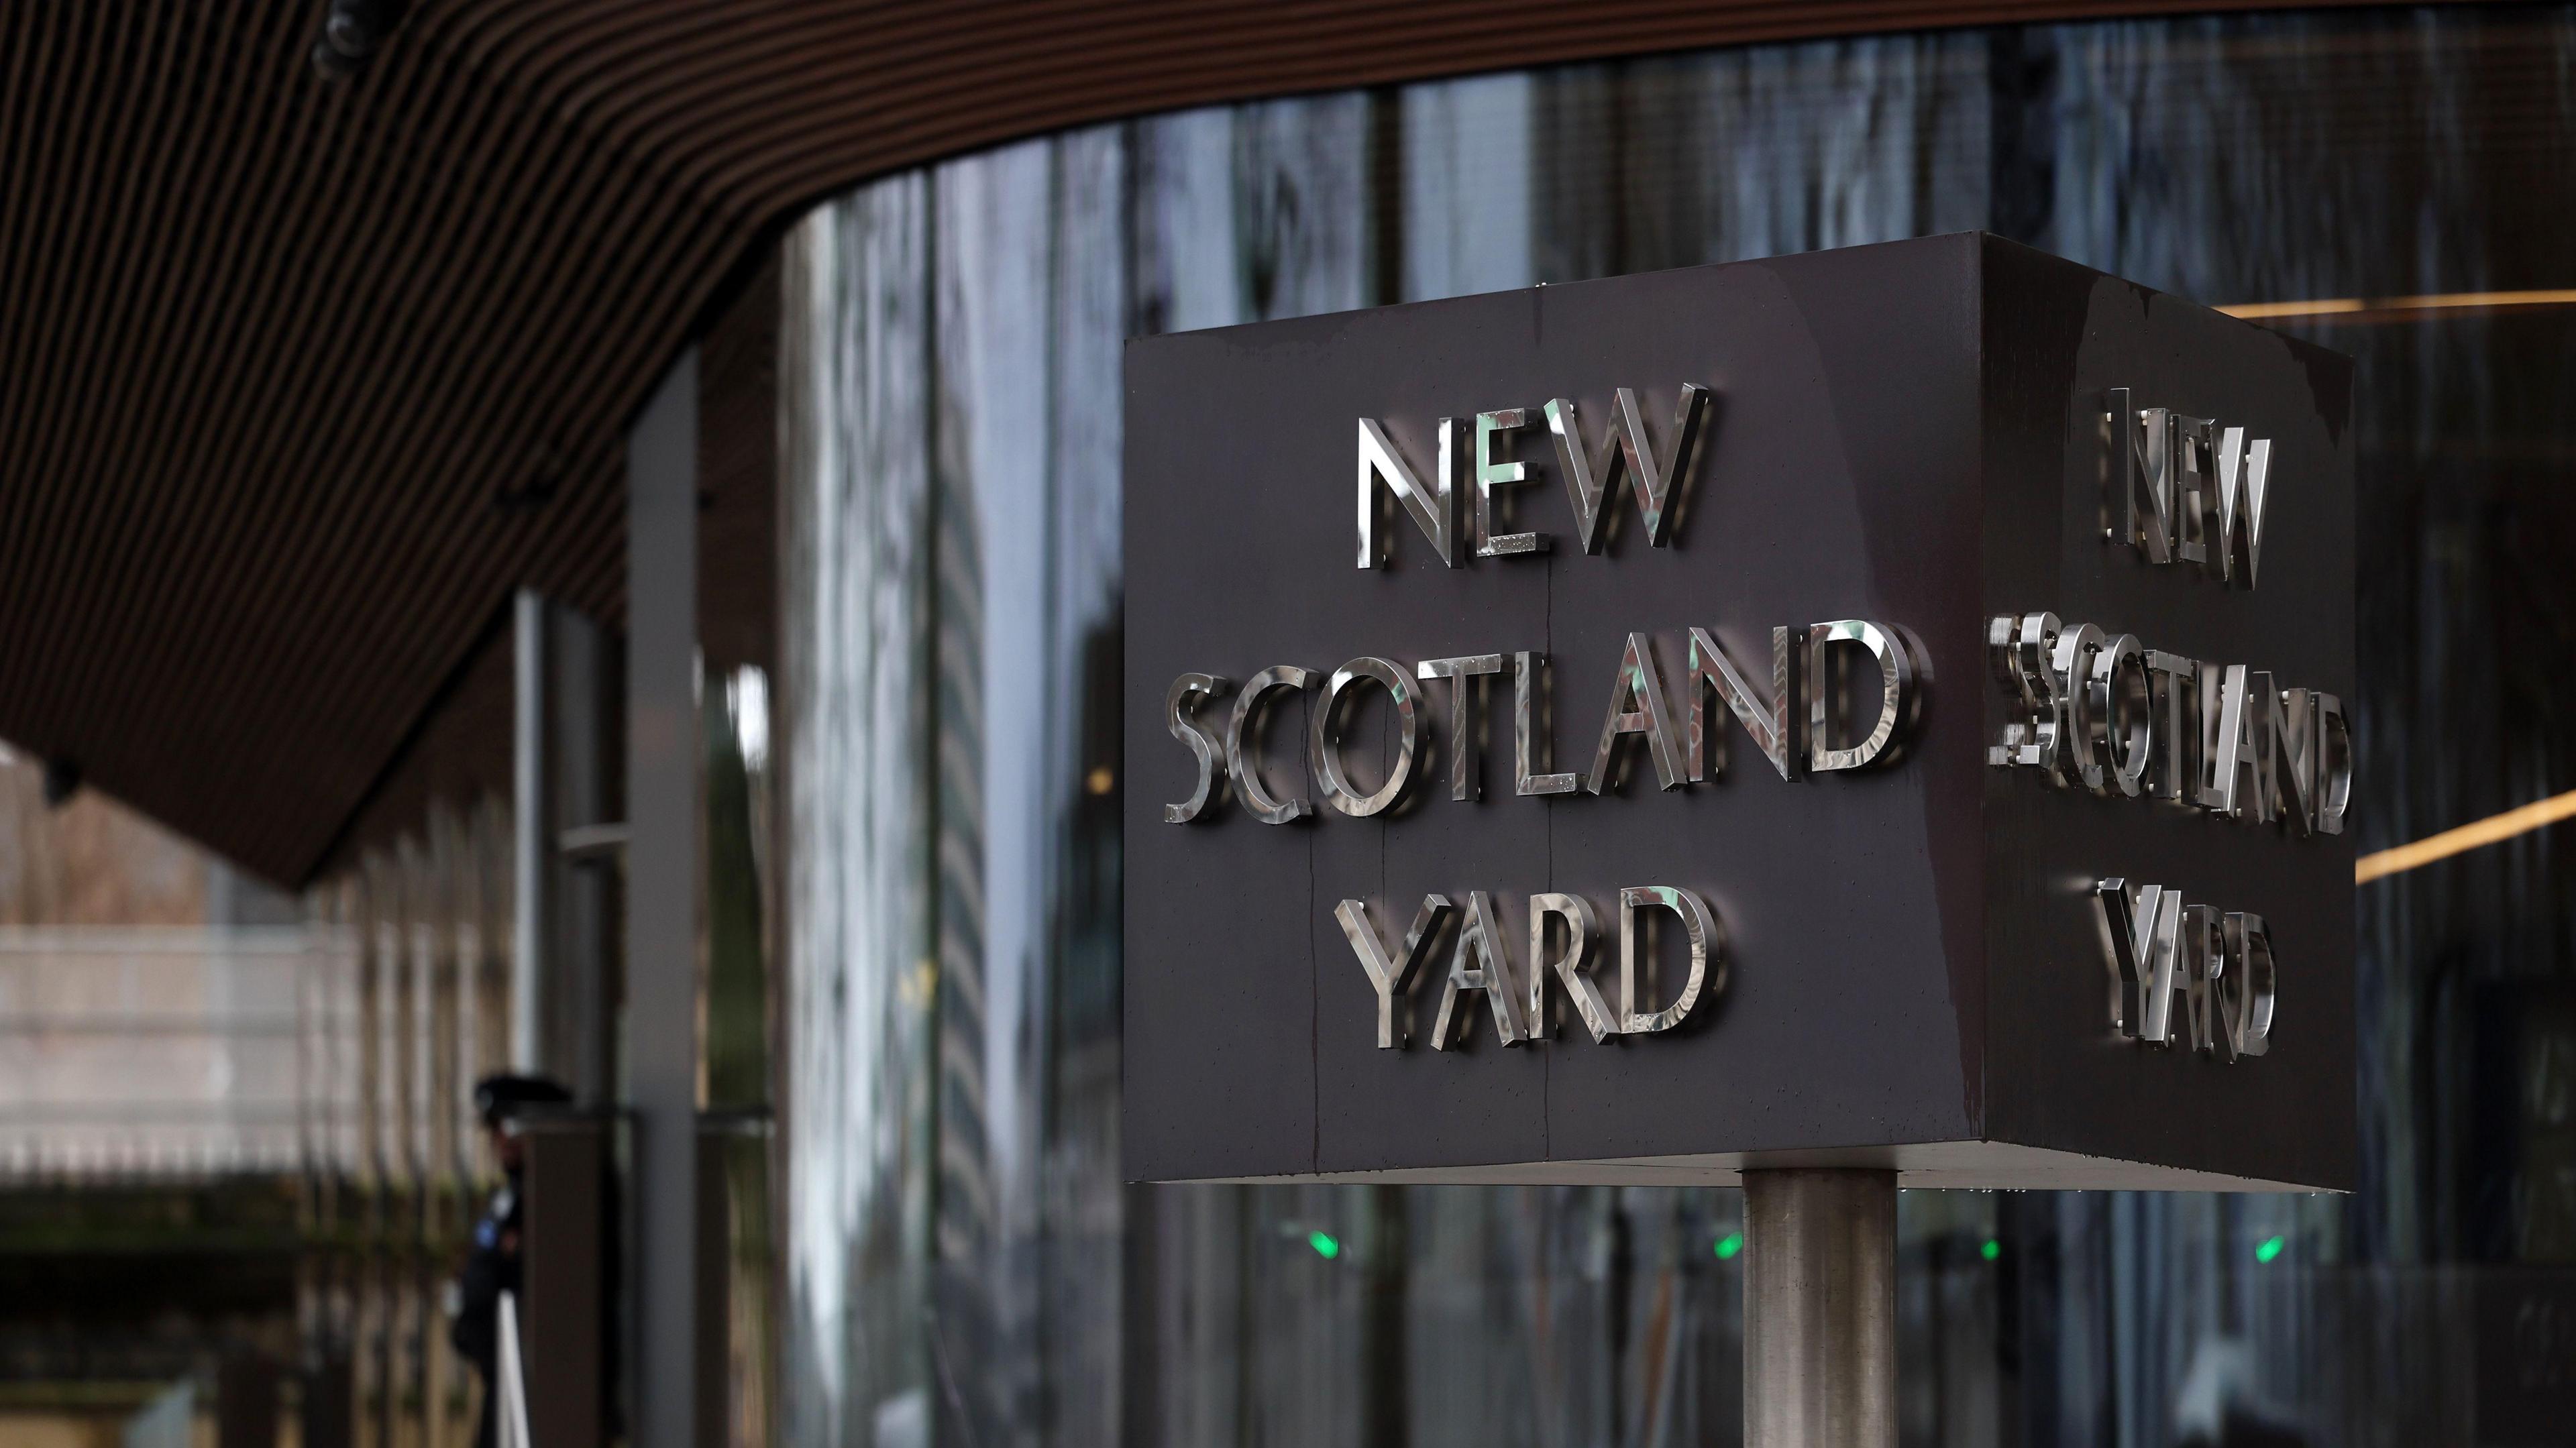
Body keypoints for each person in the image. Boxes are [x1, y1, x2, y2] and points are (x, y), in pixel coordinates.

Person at [453, 1073, 572, 1448]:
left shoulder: (551, 1194)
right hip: (501, 1374)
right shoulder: (510, 1195)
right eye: (495, 1130)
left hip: (531, 1375)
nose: (500, 1141)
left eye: (508, 1128)